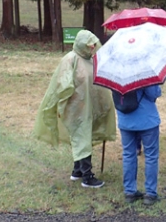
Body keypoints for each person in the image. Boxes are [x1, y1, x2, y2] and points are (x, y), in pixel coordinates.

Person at [33, 29, 116, 188]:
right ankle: (87, 176)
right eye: (89, 44)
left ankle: (77, 170)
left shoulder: (90, 60)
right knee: (82, 136)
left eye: (93, 44)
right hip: (75, 108)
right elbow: (62, 84)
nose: (92, 47)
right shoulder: (70, 59)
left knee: (83, 136)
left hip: (87, 106)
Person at [115, 85, 162, 205]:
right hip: (147, 119)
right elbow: (153, 94)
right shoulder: (144, 75)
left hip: (125, 120)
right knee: (151, 156)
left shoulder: (116, 76)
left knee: (128, 155)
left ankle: (129, 191)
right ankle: (150, 193)